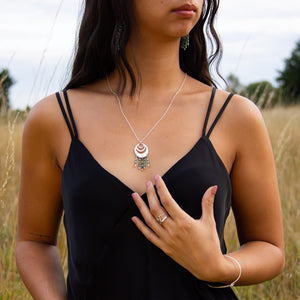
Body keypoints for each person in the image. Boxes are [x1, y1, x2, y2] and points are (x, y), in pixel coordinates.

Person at [16, 0, 285, 299]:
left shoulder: (235, 116)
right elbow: (34, 241)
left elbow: (269, 247)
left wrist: (220, 268)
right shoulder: (54, 118)